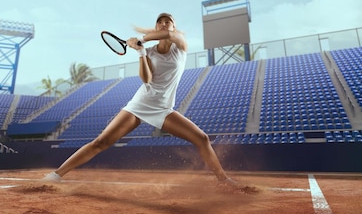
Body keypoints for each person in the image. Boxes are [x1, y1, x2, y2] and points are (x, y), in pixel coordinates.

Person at [43, 13, 254, 193]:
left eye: (168, 21)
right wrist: (141, 52)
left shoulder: (180, 45)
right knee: (101, 142)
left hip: (163, 109)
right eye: (160, 21)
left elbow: (169, 36)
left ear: (173, 26)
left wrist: (142, 37)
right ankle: (56, 175)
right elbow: (146, 79)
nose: (164, 24)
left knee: (201, 138)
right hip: (139, 104)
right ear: (156, 26)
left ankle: (223, 181)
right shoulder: (150, 52)